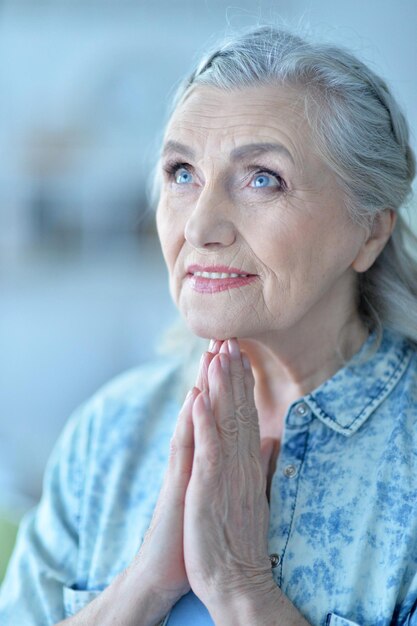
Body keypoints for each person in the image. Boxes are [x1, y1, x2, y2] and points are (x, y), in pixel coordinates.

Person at [1, 24, 417, 626]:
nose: (200, 227)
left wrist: (243, 590)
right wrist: (142, 587)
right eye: (182, 173)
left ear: (370, 230)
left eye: (262, 179)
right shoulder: (109, 431)